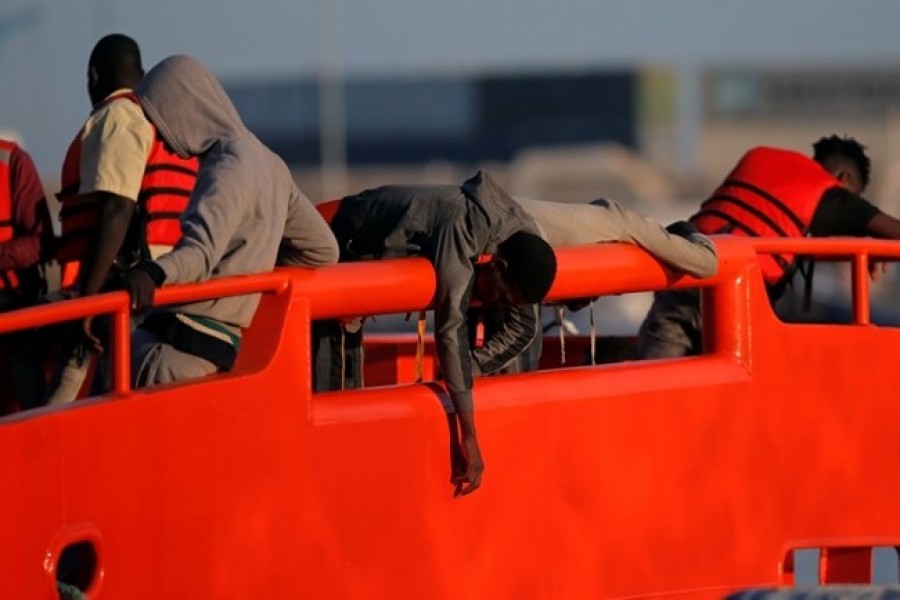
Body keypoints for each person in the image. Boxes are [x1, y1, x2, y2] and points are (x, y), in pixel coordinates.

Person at [315, 170, 558, 496]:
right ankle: (330, 485)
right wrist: (468, 432)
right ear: (496, 265)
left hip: (360, 246)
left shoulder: (520, 235)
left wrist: (468, 369)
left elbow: (525, 323)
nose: (494, 304)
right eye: (499, 297)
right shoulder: (464, 226)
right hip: (334, 239)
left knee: (349, 387)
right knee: (335, 386)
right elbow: (451, 326)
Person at [120, 54, 339, 385]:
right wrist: (252, 265)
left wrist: (150, 273)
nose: (160, 138)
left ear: (185, 109)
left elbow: (200, 253)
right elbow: (324, 249)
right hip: (219, 349)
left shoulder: (227, 166)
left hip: (174, 347)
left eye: (160, 120)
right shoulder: (270, 162)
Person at [637, 135, 900, 359]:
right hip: (733, 304)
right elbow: (894, 231)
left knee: (657, 382)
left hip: (680, 282)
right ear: (844, 177)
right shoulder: (831, 195)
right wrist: (874, 240)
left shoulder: (758, 158)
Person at [48, 33, 198, 404]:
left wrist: (88, 298)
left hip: (125, 287)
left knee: (66, 384)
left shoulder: (117, 116)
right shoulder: (166, 125)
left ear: (94, 76)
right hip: (169, 281)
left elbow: (118, 208)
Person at [469, 195, 720, 371]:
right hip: (493, 257)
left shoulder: (588, 224)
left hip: (478, 221)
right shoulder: (624, 225)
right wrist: (690, 232)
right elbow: (706, 262)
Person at [0, 138, 53, 412]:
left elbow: (40, 241)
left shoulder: (13, 161)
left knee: (24, 348)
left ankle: (36, 428)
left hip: (11, 302)